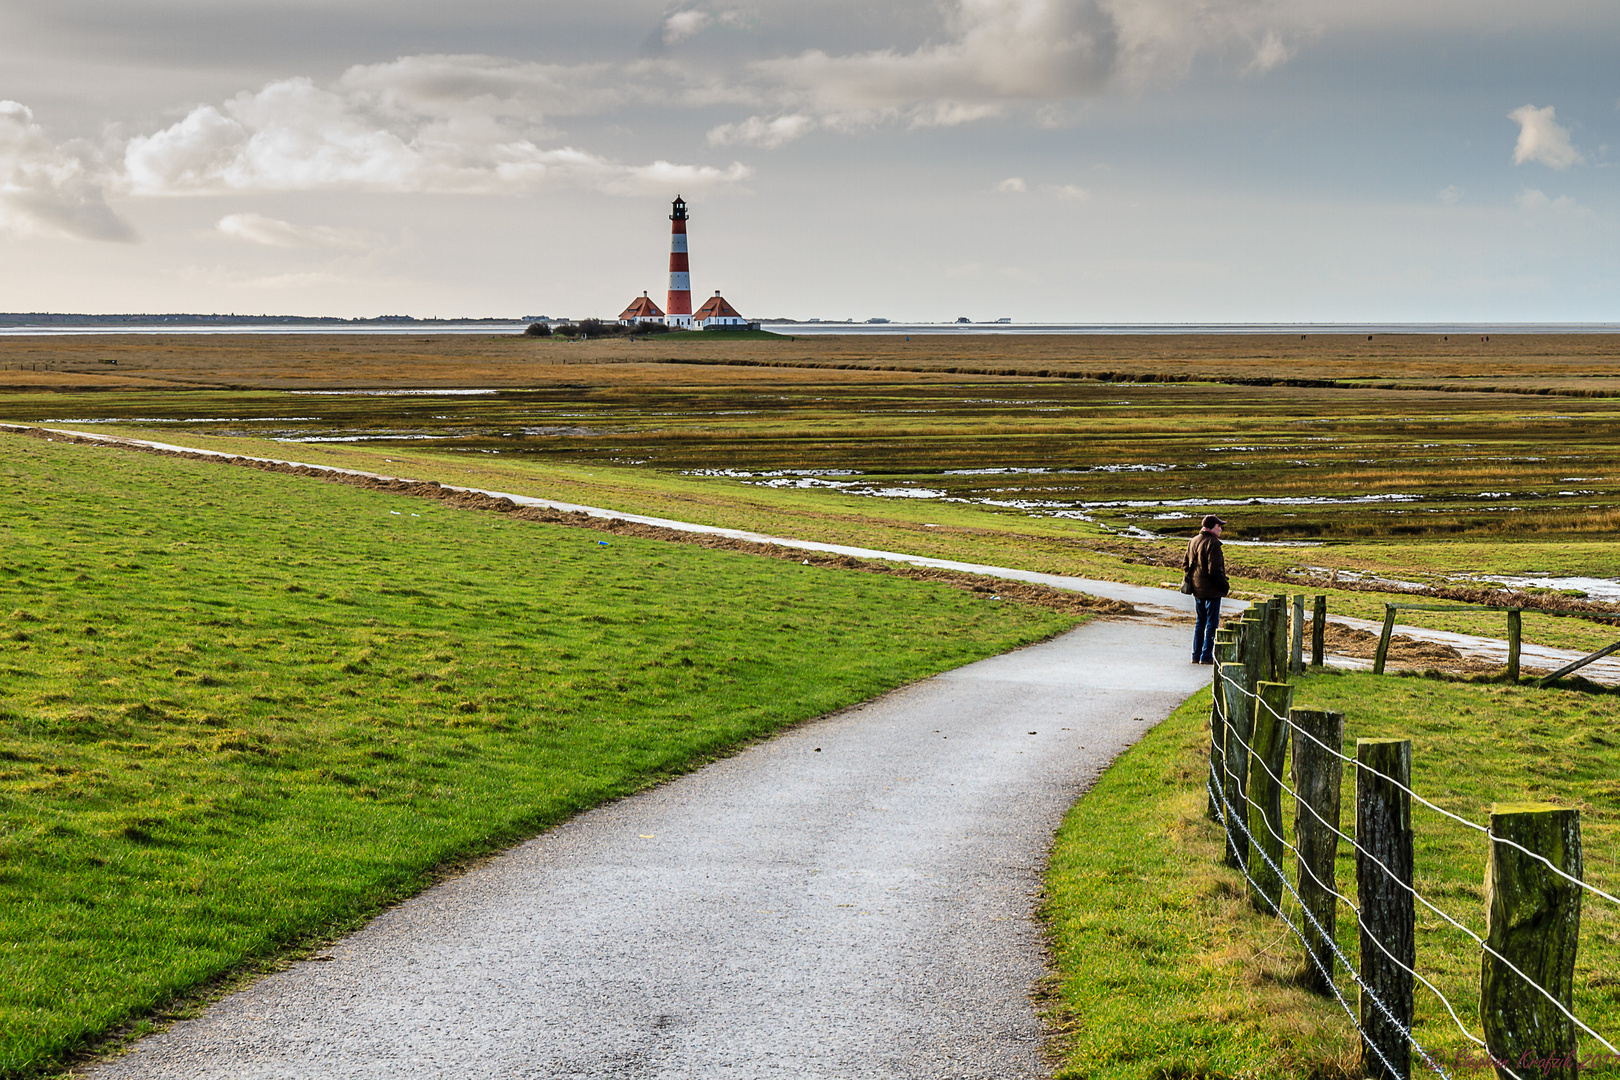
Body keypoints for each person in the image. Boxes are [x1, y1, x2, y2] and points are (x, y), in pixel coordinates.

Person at [1184, 514, 1230, 664]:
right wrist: (1224, 585)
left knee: (1200, 622)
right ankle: (1206, 656)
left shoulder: (1193, 541)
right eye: (1219, 526)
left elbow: (1186, 564)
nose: (1221, 529)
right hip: (1211, 590)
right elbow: (1215, 570)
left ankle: (1195, 655)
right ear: (1211, 527)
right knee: (1211, 623)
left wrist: (1195, 579)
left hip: (1197, 590)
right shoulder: (1213, 544)